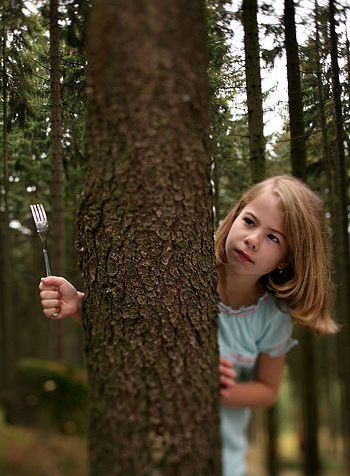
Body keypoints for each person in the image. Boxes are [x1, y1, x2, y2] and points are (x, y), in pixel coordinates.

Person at [39, 174, 338, 476]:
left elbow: (267, 389)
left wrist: (219, 388)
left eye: (273, 237)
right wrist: (80, 306)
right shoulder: (187, 267)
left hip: (221, 460)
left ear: (287, 259)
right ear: (235, 216)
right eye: (250, 221)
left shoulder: (274, 315)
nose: (253, 239)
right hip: (146, 448)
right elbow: (132, 321)